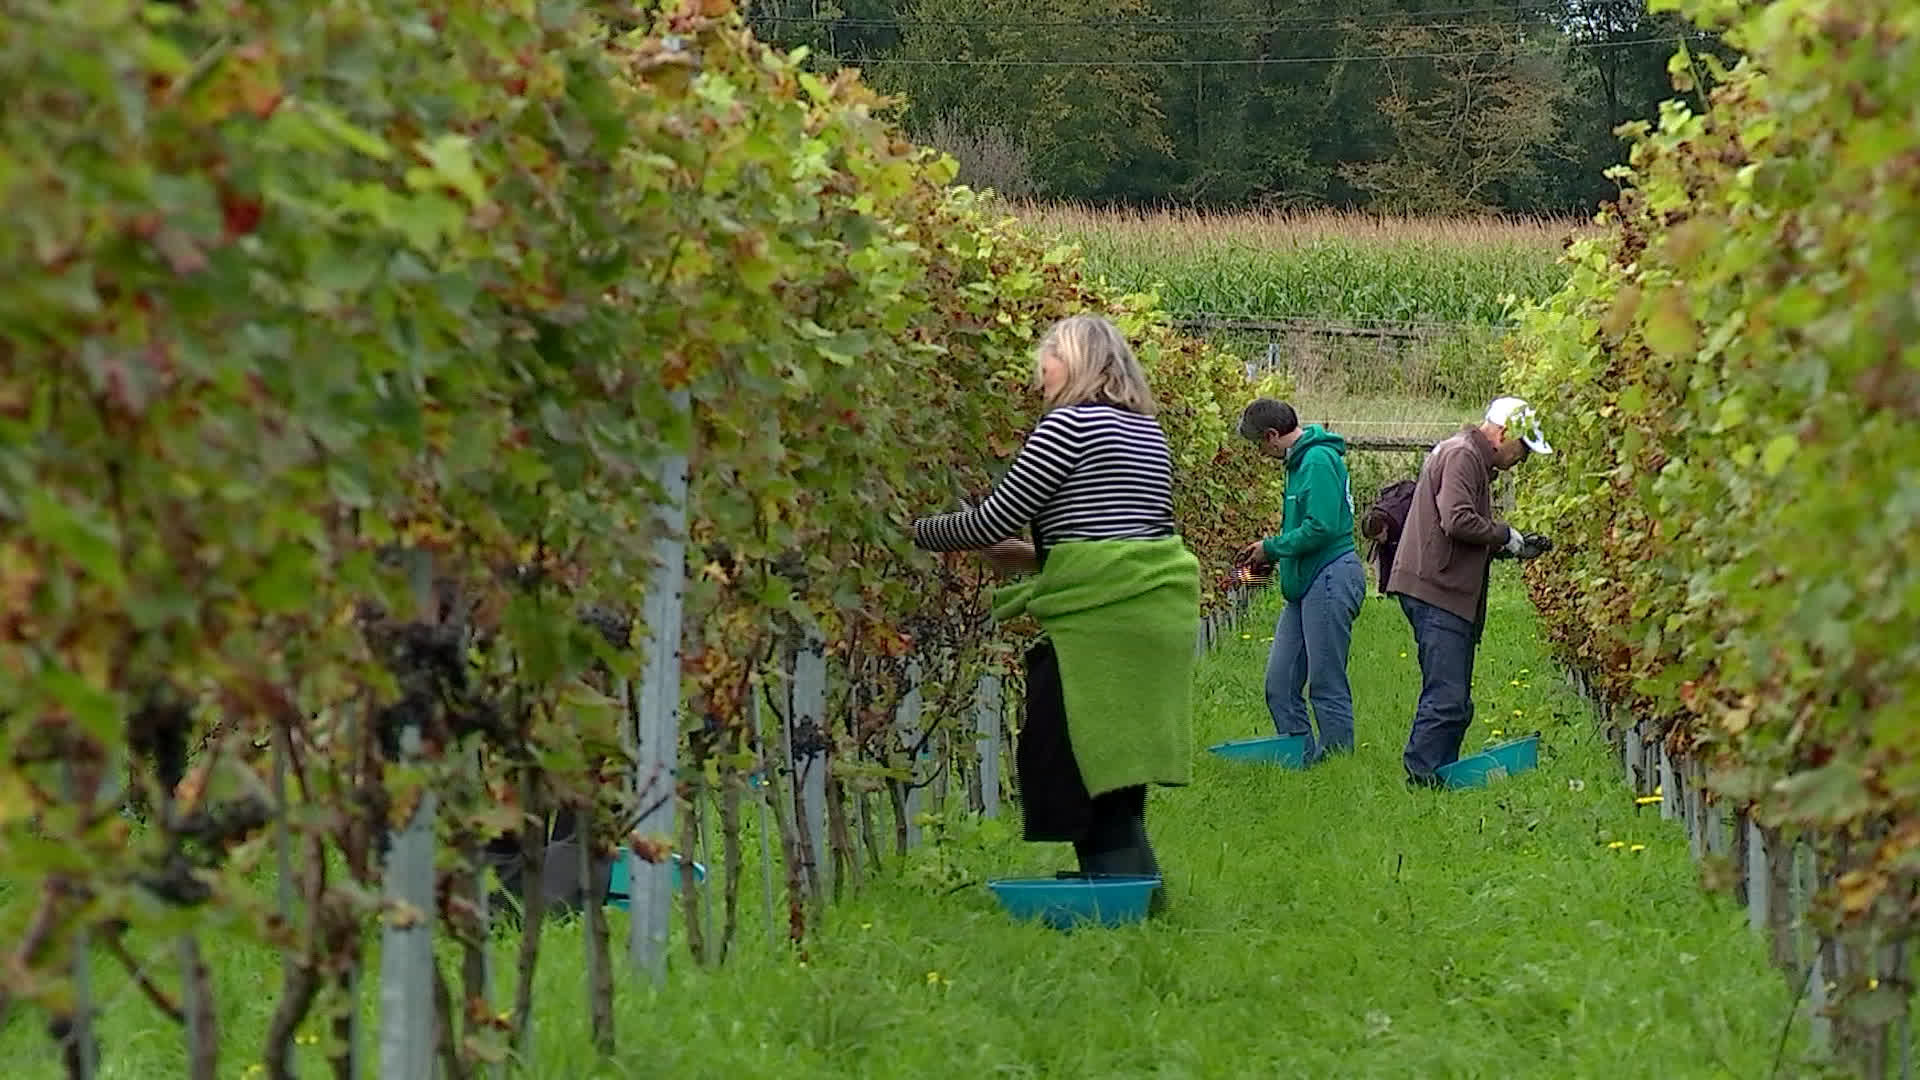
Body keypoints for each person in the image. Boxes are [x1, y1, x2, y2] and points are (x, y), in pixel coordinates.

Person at [910, 314, 1200, 913]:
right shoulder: (1144, 428)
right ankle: (1134, 897)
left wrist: (914, 532)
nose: (1038, 373)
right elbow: (1110, 532)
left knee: (1068, 754)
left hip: (1102, 621)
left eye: (1045, 359)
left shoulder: (1068, 424)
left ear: (1073, 361)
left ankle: (1123, 903)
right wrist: (1026, 557)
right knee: (1115, 762)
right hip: (1147, 611)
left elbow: (994, 517)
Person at [1387, 396, 1554, 787]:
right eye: (1524, 449)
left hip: (1439, 586)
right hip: (1437, 589)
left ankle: (1443, 774)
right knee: (1446, 696)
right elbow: (1458, 520)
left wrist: (1506, 546)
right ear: (1504, 433)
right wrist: (1503, 534)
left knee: (1455, 699)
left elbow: (1459, 527)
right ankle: (1422, 778)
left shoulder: (1466, 456)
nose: (1522, 460)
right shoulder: (1463, 456)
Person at [1233, 400, 1365, 765]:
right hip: (1306, 583)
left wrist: (1272, 548)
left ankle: (1336, 764)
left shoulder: (1317, 461)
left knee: (1325, 681)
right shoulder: (1299, 463)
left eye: (1259, 443)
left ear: (1273, 436)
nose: (1261, 452)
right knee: (1280, 682)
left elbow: (1321, 527)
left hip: (1329, 577)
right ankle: (1301, 757)